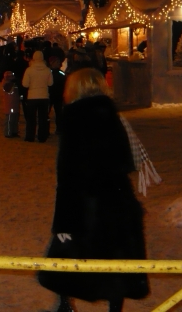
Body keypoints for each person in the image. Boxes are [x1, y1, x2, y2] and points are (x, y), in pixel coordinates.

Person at [37, 68, 151, 312]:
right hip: (116, 197)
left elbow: (67, 173)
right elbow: (125, 161)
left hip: (85, 202)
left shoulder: (73, 117)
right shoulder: (112, 115)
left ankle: (65, 304)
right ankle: (114, 308)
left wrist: (63, 222)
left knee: (66, 255)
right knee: (116, 258)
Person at [21, 50, 54, 142]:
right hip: (44, 96)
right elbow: (50, 83)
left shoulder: (29, 70)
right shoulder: (47, 70)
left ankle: (30, 136)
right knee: (43, 118)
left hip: (32, 97)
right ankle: (42, 136)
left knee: (31, 118)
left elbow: (25, 84)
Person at [48, 57, 66, 134]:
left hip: (58, 96)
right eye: (57, 62)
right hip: (50, 95)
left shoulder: (61, 73)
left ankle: (59, 129)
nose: (59, 64)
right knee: (47, 113)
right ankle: (46, 129)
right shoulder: (49, 72)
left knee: (58, 113)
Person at [2, 71, 20, 138]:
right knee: (10, 119)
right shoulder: (6, 84)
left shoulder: (12, 83)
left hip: (14, 103)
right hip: (9, 104)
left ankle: (14, 131)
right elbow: (9, 89)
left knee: (15, 118)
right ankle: (8, 132)